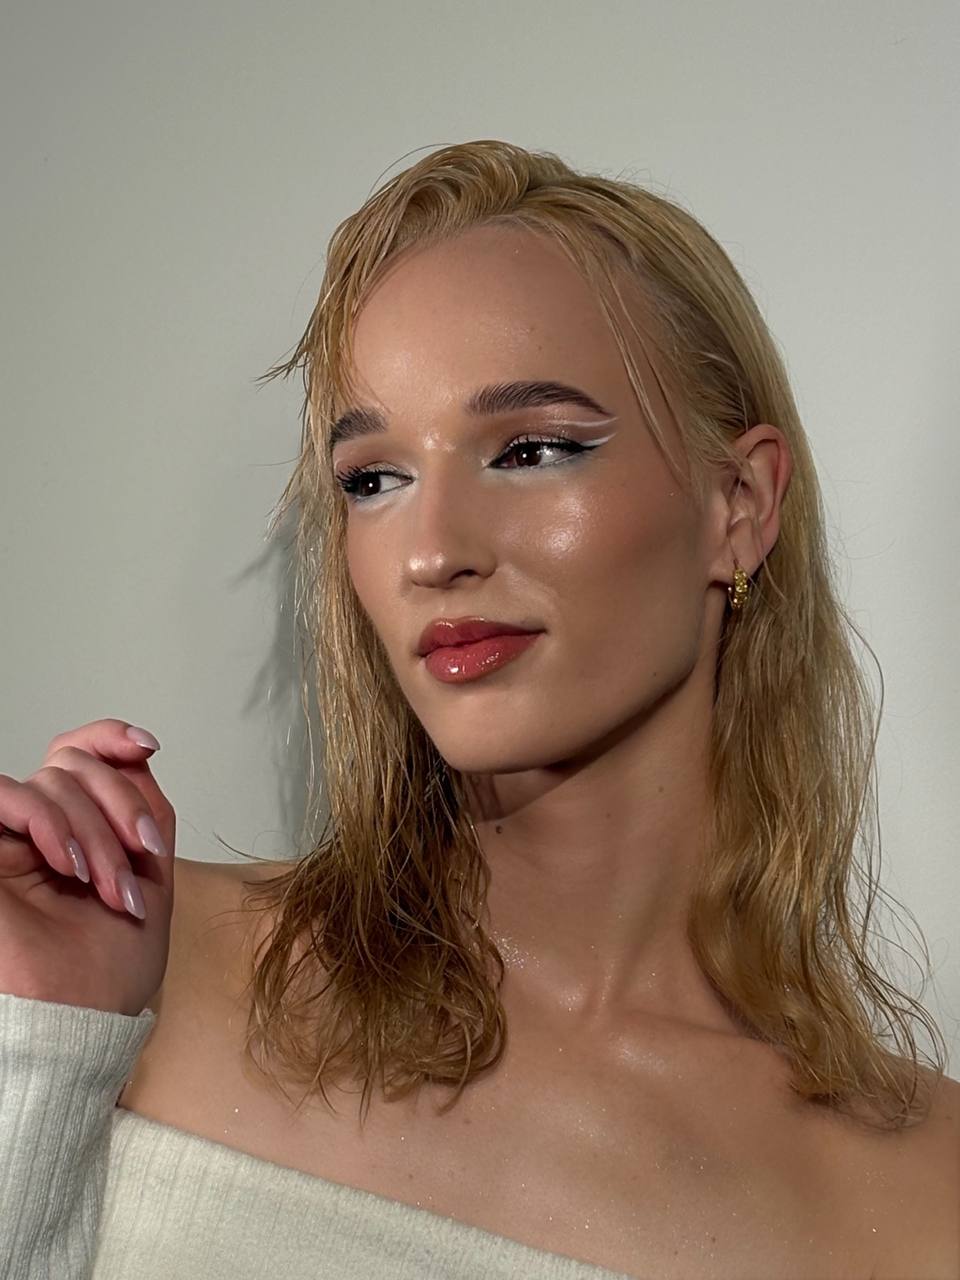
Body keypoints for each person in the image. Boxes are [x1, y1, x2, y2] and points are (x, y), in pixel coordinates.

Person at [1, 139, 957, 1279]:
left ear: (739, 505)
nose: (433, 551)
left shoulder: (923, 1195)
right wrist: (39, 1047)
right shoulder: (132, 972)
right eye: (374, 479)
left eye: (532, 450)